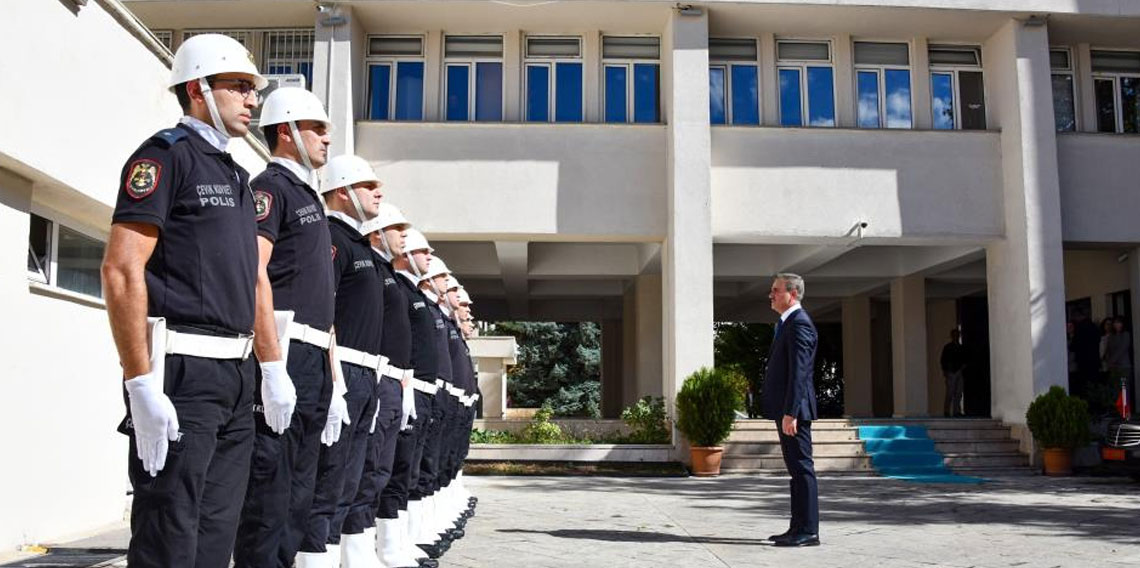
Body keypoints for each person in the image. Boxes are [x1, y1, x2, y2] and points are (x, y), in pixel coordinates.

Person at [101, 34, 267, 568]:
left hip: (236, 378)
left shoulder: (238, 174)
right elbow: (122, 270)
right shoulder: (164, 156)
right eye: (239, 86)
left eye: (254, 90)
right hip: (182, 371)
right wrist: (140, 383)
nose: (252, 100)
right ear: (198, 88)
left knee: (218, 534)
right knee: (170, 532)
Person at [234, 86, 345, 568]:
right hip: (285, 351)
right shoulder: (270, 188)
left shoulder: (309, 196)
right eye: (317, 128)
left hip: (315, 356)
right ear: (286, 131)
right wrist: (272, 363)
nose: (326, 139)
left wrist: (334, 379)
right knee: (270, 492)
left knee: (301, 491)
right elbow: (254, 273)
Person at [760, 273, 819, 548]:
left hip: (795, 412)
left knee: (802, 468)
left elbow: (800, 372)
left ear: (792, 294)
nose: (770, 295)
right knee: (795, 470)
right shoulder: (787, 323)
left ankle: (808, 531)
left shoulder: (799, 324)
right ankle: (797, 527)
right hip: (788, 409)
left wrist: (791, 412)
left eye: (775, 290)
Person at [940, 329, 967, 418]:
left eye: (957, 334)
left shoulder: (961, 347)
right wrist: (945, 371)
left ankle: (956, 411)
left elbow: (965, 359)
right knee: (950, 392)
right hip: (951, 372)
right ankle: (946, 411)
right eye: (954, 335)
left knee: (959, 393)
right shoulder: (947, 347)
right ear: (952, 336)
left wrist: (963, 366)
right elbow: (943, 360)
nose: (956, 336)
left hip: (959, 371)